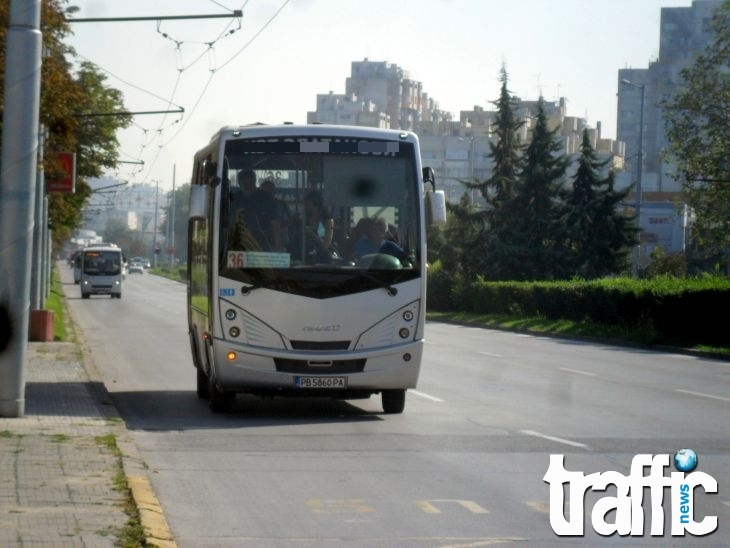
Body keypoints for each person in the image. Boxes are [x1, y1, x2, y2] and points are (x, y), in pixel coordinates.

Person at [229, 169, 283, 252]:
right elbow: (230, 223)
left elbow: (275, 224)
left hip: (263, 243)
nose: (247, 186)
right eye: (244, 183)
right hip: (238, 244)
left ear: (255, 181)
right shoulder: (235, 199)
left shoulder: (266, 199)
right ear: (239, 183)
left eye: (250, 183)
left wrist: (278, 245)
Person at [302, 190, 334, 262]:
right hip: (305, 255)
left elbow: (326, 244)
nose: (309, 208)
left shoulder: (327, 221)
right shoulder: (306, 219)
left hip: (322, 257)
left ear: (317, 205)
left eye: (311, 206)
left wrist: (313, 234)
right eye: (307, 206)